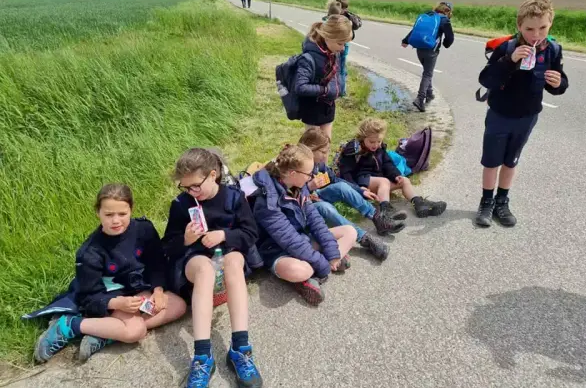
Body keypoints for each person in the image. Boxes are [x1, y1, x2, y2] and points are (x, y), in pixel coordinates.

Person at [34, 184, 187, 364]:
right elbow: (88, 295)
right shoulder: (89, 253)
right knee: (136, 332)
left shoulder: (144, 229)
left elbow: (156, 263)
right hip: (111, 296)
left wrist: (158, 291)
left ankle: (106, 334)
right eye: (108, 214)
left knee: (178, 306)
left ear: (131, 209)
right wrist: (117, 303)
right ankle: (70, 326)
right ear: (98, 212)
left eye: (122, 214)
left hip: (138, 290)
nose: (116, 220)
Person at [163, 148, 263, 388]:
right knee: (206, 269)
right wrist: (186, 239)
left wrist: (224, 235)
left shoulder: (233, 198)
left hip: (227, 254)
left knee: (234, 262)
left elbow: (250, 234)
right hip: (195, 260)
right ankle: (202, 356)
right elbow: (167, 246)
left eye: (196, 186)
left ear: (213, 174)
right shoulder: (181, 204)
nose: (191, 192)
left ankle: (240, 348)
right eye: (185, 187)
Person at [475, 0, 568, 228]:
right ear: (519, 26)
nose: (536, 35)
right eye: (529, 29)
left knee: (511, 161)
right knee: (492, 161)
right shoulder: (506, 48)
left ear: (550, 24)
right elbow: (486, 79)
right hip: (499, 114)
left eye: (542, 28)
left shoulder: (553, 50)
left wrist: (559, 83)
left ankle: (502, 202)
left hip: (527, 116)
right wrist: (510, 60)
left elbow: (558, 85)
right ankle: (486, 202)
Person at [251, 144, 357, 306]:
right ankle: (309, 274)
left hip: (303, 240)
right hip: (276, 251)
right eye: (309, 173)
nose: (312, 176)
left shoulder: (297, 187)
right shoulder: (267, 203)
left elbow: (316, 221)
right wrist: (323, 265)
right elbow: (290, 240)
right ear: (293, 173)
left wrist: (332, 252)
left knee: (350, 231)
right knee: (300, 270)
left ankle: (325, 263)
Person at [299, 127, 403, 260]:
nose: (326, 156)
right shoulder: (298, 166)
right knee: (325, 208)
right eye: (323, 152)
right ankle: (364, 238)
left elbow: (334, 179)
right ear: (309, 149)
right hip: (303, 206)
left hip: (315, 195)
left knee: (341, 186)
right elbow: (289, 195)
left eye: (327, 151)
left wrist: (360, 190)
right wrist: (308, 187)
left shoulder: (318, 164)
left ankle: (378, 218)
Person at [338, 118, 447, 220]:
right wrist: (357, 189)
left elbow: (387, 164)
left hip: (380, 184)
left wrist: (395, 175)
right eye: (372, 142)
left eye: (379, 141)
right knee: (384, 181)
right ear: (363, 138)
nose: (376, 145)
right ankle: (385, 211)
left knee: (404, 180)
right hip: (363, 182)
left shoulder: (380, 149)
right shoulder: (355, 151)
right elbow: (345, 171)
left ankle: (419, 203)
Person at [295, 15, 353, 139]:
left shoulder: (333, 53)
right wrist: (325, 90)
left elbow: (337, 75)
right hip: (312, 107)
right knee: (313, 147)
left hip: (328, 106)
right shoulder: (309, 58)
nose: (343, 48)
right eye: (340, 43)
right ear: (328, 37)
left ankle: (322, 159)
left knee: (326, 144)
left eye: (345, 44)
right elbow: (300, 87)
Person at [402, 2, 455, 112]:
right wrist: (446, 44)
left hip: (419, 48)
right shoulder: (444, 19)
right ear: (447, 11)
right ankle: (420, 99)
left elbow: (415, 30)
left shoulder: (428, 15)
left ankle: (429, 93)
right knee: (427, 74)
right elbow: (450, 37)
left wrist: (405, 40)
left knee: (427, 71)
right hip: (431, 50)